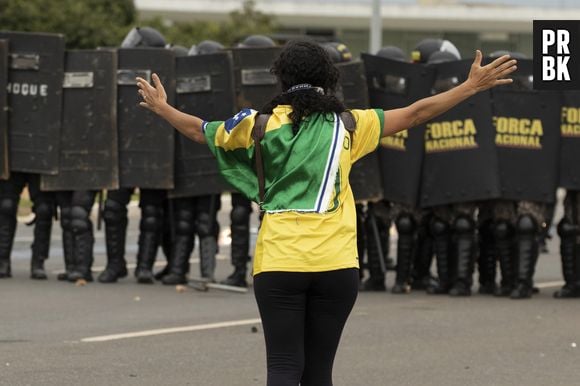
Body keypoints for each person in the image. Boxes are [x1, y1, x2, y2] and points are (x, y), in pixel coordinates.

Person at [137, 40, 516, 386]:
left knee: (284, 367)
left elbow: (197, 130)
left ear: (282, 80)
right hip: (337, 266)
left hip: (279, 264)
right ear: (328, 79)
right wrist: (470, 87)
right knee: (319, 374)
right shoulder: (350, 125)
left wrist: (161, 107)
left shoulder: (258, 125)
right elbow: (416, 114)